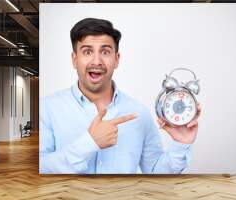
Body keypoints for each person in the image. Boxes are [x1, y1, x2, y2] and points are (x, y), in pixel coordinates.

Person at [40, 18, 201, 174]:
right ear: (75, 59)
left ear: (116, 59)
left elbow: (155, 172)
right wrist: (89, 143)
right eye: (87, 51)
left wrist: (181, 144)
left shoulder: (139, 113)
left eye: (105, 52)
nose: (97, 61)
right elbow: (41, 168)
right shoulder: (47, 108)